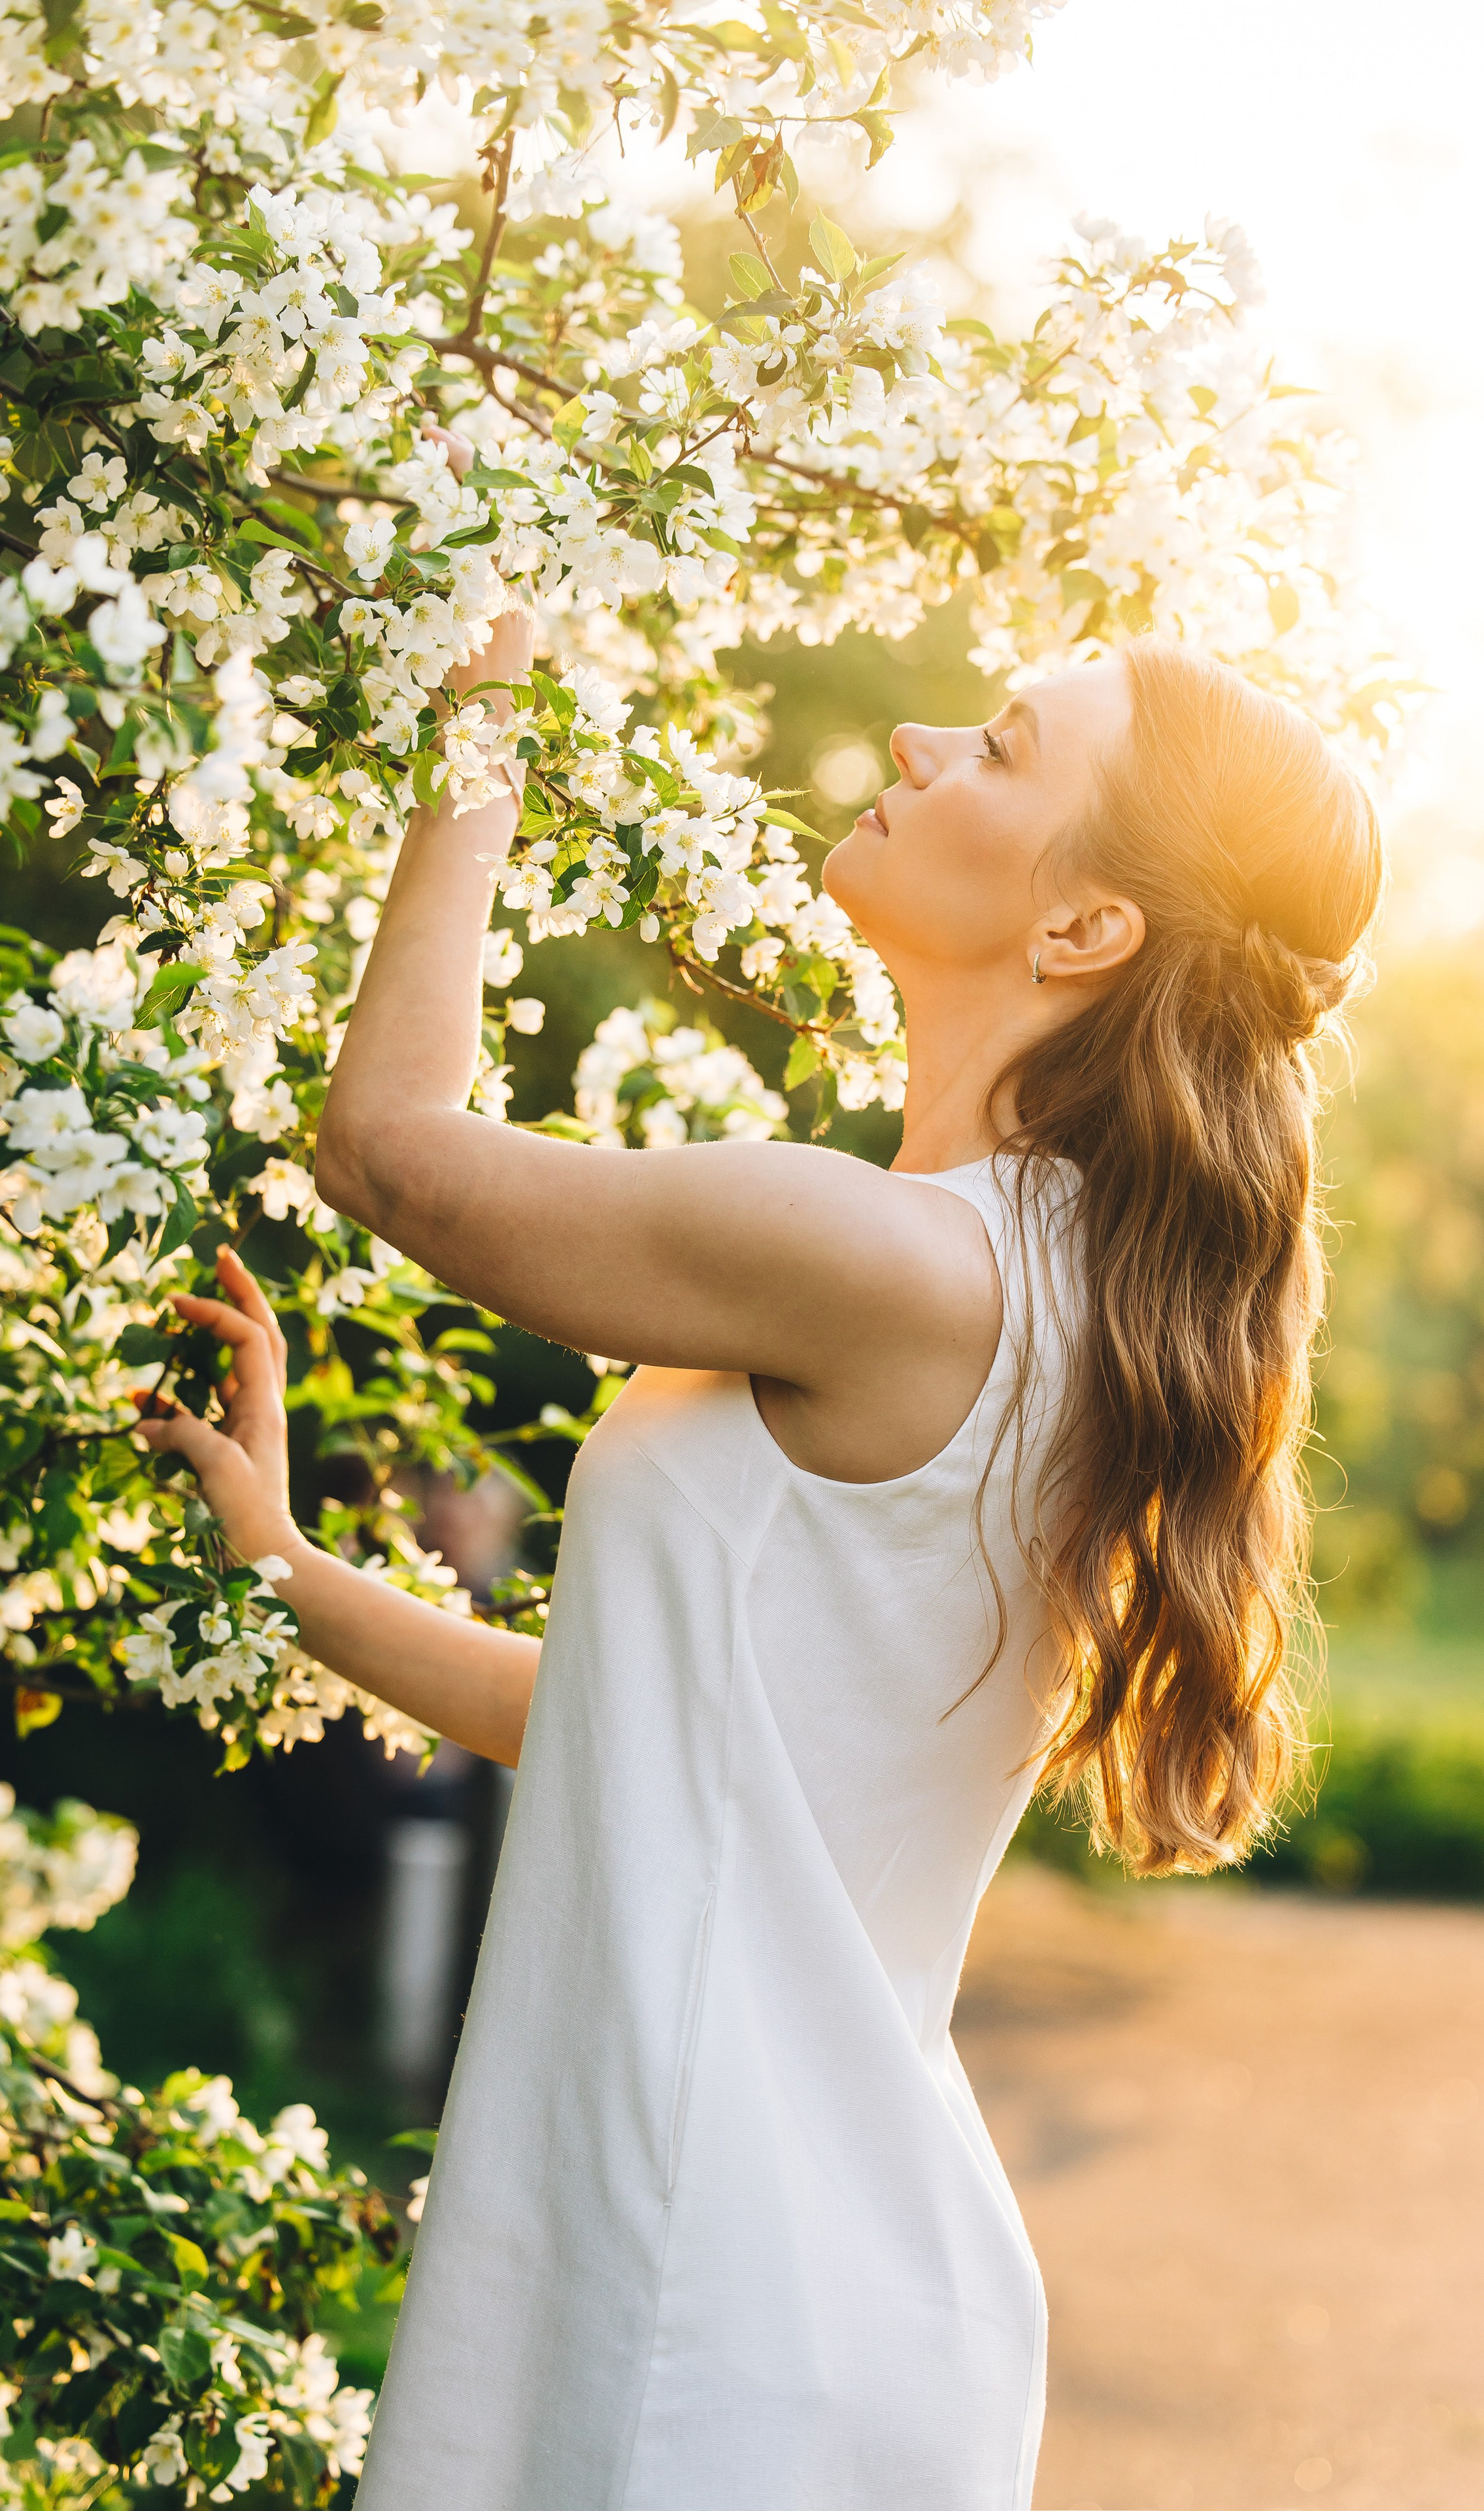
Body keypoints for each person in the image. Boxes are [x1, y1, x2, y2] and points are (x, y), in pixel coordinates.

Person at [136, 583, 1381, 2506]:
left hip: (708, 2302)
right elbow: (641, 1727)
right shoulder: (1038, 1285)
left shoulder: (902, 1265)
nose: (921, 743)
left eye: (1002, 748)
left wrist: (484, 700)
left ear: (1082, 929)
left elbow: (385, 1147)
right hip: (762, 2277)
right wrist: (291, 1568)